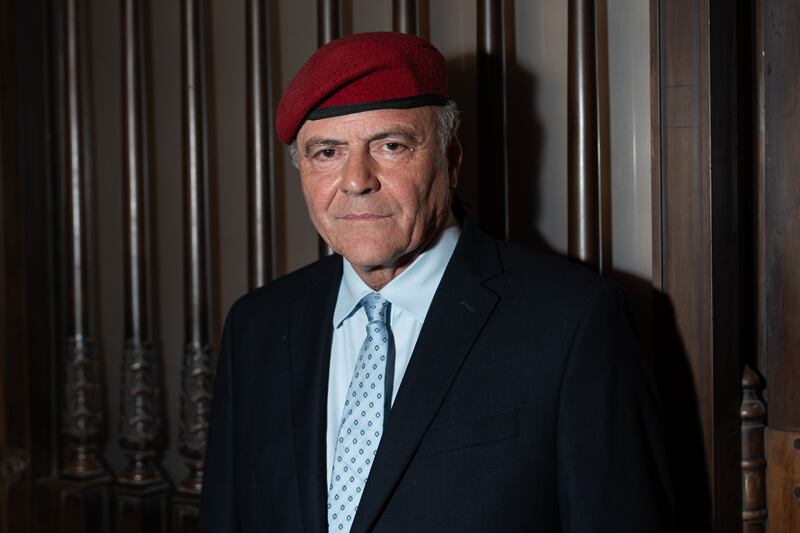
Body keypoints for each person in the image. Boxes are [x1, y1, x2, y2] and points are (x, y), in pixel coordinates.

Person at [199, 31, 672, 533]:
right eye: (327, 153)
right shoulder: (258, 326)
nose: (357, 180)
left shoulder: (573, 323)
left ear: (451, 159)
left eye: (391, 145)